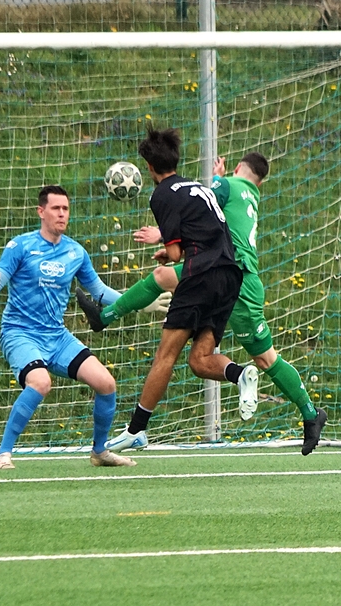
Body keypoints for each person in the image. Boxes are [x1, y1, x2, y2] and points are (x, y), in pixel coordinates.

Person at [79, 152, 328, 454]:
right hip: (229, 270)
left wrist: (164, 233)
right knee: (168, 288)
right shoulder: (251, 195)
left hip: (232, 273)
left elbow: (202, 205)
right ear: (260, 181)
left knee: (264, 358)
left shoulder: (228, 185)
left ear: (238, 168)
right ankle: (105, 316)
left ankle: (309, 412)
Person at [105, 128, 259, 452]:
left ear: (149, 167)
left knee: (166, 355)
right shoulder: (197, 187)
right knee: (199, 360)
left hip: (201, 275)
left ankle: (136, 430)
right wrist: (177, 249)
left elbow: (176, 254)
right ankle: (241, 373)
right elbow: (201, 233)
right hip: (230, 275)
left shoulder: (161, 195)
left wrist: (170, 252)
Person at [0, 185, 140, 470]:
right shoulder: (21, 246)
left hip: (57, 336)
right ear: (41, 211)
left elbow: (99, 290)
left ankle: (100, 452)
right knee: (40, 382)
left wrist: (139, 301)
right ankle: (3, 454)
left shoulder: (75, 252)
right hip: (20, 333)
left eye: (65, 209)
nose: (62, 214)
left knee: (106, 383)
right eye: (56, 208)